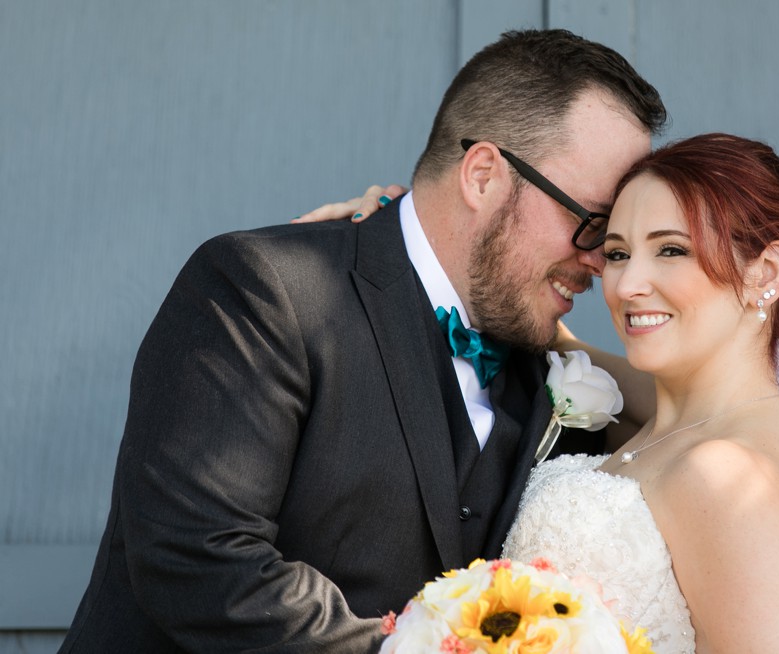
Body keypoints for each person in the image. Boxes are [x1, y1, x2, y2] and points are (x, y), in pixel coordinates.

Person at [58, 30, 667, 653]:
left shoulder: (554, 371)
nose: (602, 264)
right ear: (483, 175)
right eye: (589, 222)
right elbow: (196, 557)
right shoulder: (266, 290)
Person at [320, 134, 779, 652]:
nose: (628, 285)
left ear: (767, 272)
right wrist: (403, 238)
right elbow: (559, 345)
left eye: (670, 252)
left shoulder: (727, 475)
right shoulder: (676, 418)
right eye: (615, 251)